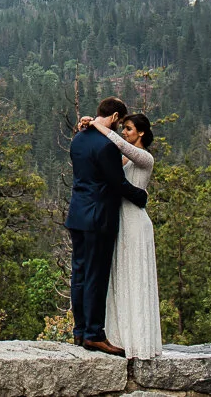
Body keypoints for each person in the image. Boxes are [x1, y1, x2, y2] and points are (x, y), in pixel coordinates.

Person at [65, 97, 148, 355]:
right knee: (96, 275)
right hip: (98, 217)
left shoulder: (78, 139)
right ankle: (94, 334)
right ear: (114, 117)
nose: (120, 127)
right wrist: (140, 196)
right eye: (120, 122)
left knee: (78, 273)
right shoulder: (107, 146)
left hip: (77, 214)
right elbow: (117, 183)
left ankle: (79, 330)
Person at [85, 110, 162, 359]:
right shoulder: (124, 160)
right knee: (120, 278)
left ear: (141, 132)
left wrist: (99, 124)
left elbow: (116, 143)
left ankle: (140, 340)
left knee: (136, 278)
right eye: (123, 128)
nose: (124, 132)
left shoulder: (145, 158)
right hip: (120, 222)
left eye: (129, 128)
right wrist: (88, 125)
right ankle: (122, 337)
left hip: (136, 224)